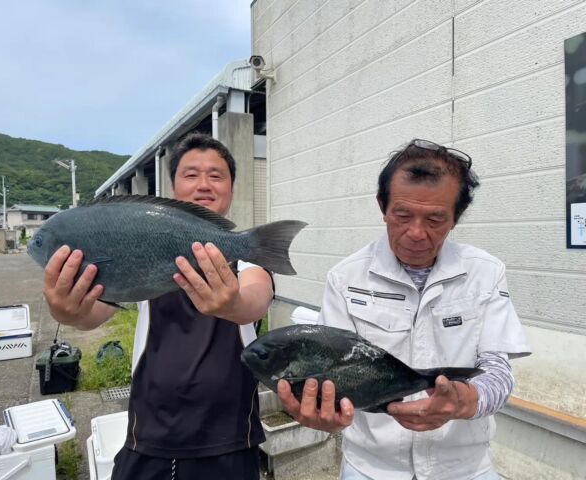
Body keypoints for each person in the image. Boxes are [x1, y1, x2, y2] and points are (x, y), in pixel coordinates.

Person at [277, 139, 531, 480]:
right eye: (402, 215)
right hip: (370, 467)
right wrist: (325, 413)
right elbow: (331, 371)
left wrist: (463, 400)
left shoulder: (485, 272)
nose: (416, 233)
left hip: (465, 468)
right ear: (382, 206)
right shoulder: (346, 278)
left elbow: (498, 370)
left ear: (455, 218)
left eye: (435, 219)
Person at [42, 133, 272, 480]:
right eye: (191, 174)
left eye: (216, 175)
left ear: (232, 189)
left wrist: (233, 303)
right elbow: (95, 313)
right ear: (173, 188)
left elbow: (255, 301)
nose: (204, 184)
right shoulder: (144, 250)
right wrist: (67, 312)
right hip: (147, 438)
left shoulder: (248, 259)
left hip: (231, 442)